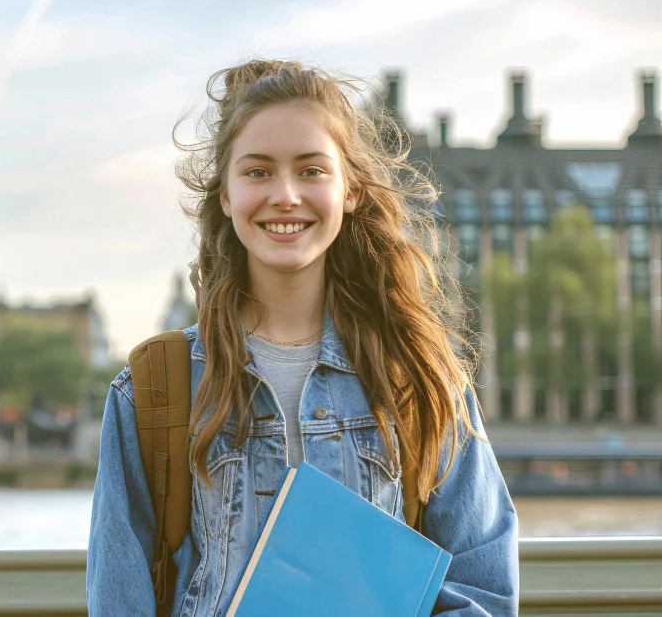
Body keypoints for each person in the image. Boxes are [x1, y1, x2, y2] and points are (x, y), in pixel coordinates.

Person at [86, 60, 519, 616]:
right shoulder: (153, 388)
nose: (286, 195)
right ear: (225, 195)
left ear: (352, 191)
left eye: (312, 170)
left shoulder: (419, 377)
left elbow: (483, 591)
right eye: (258, 172)